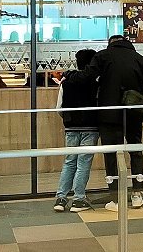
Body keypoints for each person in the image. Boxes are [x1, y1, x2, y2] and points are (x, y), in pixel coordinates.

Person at [63, 35, 143, 211]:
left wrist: (68, 74)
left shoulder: (103, 55)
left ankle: (115, 198)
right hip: (133, 112)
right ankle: (137, 193)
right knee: (135, 151)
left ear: (110, 44)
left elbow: (87, 76)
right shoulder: (140, 59)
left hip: (109, 114)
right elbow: (142, 87)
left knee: (111, 154)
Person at [53, 49, 100, 213]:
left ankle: (61, 198)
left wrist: (69, 120)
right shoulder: (97, 81)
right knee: (83, 163)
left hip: (71, 127)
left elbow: (59, 108)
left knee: (69, 161)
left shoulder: (66, 81)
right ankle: (78, 199)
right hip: (91, 126)